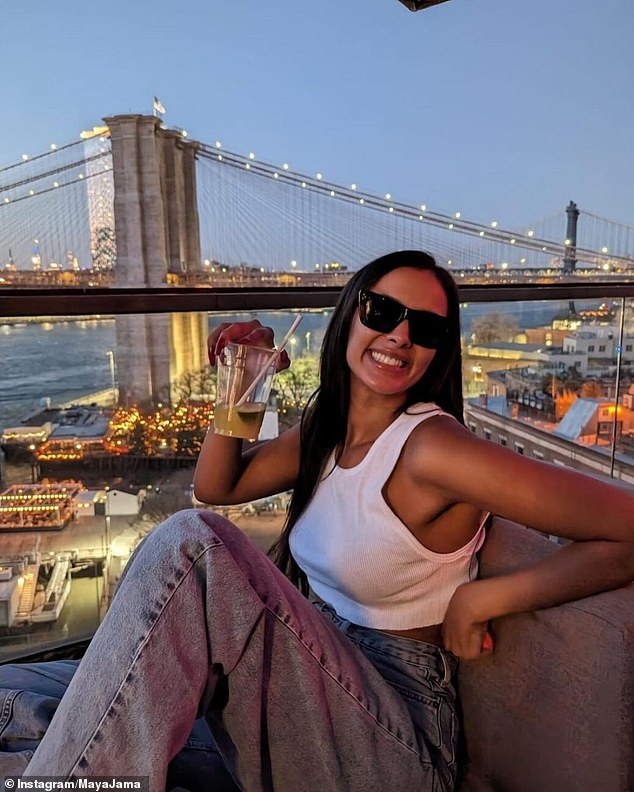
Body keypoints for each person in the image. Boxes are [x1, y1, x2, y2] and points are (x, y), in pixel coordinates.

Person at [1, 250, 633, 790]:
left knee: (192, 550)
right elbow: (217, 485)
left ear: (441, 350)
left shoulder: (435, 448)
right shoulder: (327, 430)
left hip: (393, 737)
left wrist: (483, 597)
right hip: (301, 689)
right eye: (383, 313)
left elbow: (626, 523)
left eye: (427, 328)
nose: (400, 337)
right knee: (24, 702)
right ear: (351, 313)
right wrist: (243, 383)